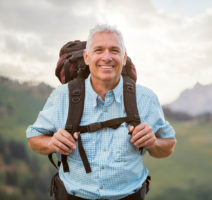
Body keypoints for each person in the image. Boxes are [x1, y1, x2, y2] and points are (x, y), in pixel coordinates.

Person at [26, 24, 176, 200]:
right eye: (99, 50)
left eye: (114, 50)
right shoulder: (62, 96)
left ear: (124, 57)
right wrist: (52, 143)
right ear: (87, 57)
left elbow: (168, 145)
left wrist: (153, 143)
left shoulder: (145, 98)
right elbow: (34, 139)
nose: (107, 57)